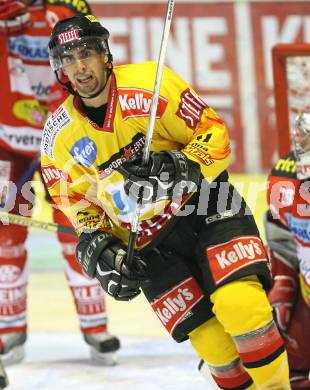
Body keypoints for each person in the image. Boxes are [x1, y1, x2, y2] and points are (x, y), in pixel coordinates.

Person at [42, 14, 292, 389]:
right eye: (68, 57)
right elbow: (77, 205)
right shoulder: (57, 139)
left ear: (105, 55)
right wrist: (97, 246)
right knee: (214, 346)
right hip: (148, 244)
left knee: (242, 307)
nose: (79, 67)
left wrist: (182, 165)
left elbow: (215, 135)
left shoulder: (149, 85)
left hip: (207, 206)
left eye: (86, 53)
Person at [0, 0, 120, 366]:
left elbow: (97, 47)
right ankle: (8, 331)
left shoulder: (70, 5)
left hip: (63, 138)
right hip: (8, 141)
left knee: (79, 229)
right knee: (6, 236)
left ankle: (95, 327)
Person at [265, 109, 310, 389]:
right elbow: (281, 232)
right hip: (307, 296)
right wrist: (283, 281)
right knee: (291, 360)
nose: (301, 149)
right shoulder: (285, 179)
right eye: (303, 140)